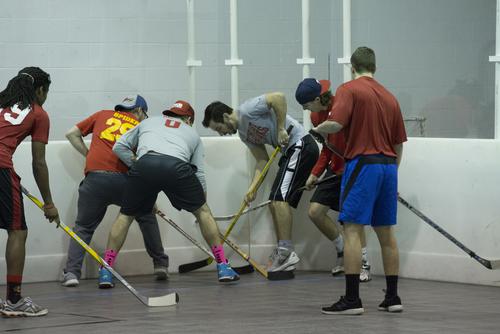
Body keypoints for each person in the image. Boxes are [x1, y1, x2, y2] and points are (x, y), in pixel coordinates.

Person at [99, 100, 239, 286]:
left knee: (125, 216)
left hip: (145, 164)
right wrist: (200, 203)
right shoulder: (192, 134)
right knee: (204, 213)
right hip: (177, 167)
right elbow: (199, 173)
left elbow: (119, 147)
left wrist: (137, 164)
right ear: (188, 119)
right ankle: (222, 265)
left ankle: (106, 270)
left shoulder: (148, 122)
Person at [313, 47, 407, 315]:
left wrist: (318, 129)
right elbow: (399, 144)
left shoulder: (349, 89)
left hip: (363, 165)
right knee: (386, 233)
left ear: (353, 67)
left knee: (352, 229)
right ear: (374, 66)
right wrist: (391, 172)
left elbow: (337, 124)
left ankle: (352, 300)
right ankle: (392, 297)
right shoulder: (390, 97)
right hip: (388, 167)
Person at [203, 93, 319, 276]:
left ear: (225, 117)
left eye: (219, 127)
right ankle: (284, 250)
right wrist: (253, 188)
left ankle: (286, 252)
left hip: (301, 144)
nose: (221, 133)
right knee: (275, 201)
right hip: (291, 152)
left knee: (279, 200)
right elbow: (262, 161)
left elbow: (279, 98)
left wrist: (281, 129)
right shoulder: (243, 134)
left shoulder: (248, 110)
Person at [61, 95, 169, 288]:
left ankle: (71, 273)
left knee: (83, 227)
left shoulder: (102, 114)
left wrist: (89, 156)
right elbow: (144, 161)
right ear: (139, 111)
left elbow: (71, 133)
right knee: (146, 215)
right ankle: (160, 263)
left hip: (95, 179)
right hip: (124, 180)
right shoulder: (142, 126)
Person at [295, 78, 372, 282]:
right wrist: (315, 174)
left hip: (353, 170)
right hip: (334, 170)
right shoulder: (316, 115)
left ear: (318, 98)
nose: (305, 109)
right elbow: (328, 149)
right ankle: (342, 251)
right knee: (315, 211)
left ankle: (363, 263)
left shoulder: (343, 108)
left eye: (306, 104)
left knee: (351, 220)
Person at [0, 67, 58, 317]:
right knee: (17, 232)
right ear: (40, 90)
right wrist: (49, 203)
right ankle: (14, 300)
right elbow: (39, 163)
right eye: (46, 92)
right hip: (1, 166)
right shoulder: (39, 113)